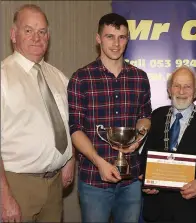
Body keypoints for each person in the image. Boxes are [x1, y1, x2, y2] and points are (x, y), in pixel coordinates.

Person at [67, 13, 152, 223]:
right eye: (110, 36)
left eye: (122, 37)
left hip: (131, 180)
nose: (116, 43)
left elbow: (145, 116)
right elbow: (75, 128)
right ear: (98, 39)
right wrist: (99, 162)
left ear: (128, 39)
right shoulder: (81, 78)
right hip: (94, 180)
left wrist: (139, 138)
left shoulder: (139, 77)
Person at [0, 4, 74, 222]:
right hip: (17, 185)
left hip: (55, 185)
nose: (36, 37)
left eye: (42, 32)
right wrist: (4, 196)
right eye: (28, 30)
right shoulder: (3, 78)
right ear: (14, 35)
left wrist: (69, 159)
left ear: (48, 37)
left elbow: (67, 124)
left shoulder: (59, 78)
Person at [140, 66, 196, 222]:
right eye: (177, 85)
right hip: (157, 210)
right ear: (169, 90)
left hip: (192, 211)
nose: (181, 91)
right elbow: (145, 156)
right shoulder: (156, 116)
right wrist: (145, 180)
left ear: (195, 91)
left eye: (187, 86)